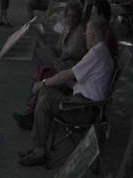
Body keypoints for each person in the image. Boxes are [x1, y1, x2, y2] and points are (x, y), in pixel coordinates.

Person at [18, 17, 115, 166]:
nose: (84, 37)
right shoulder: (102, 51)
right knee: (46, 92)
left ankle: (39, 150)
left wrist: (43, 82)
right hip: (86, 104)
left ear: (92, 36)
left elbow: (70, 74)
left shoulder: (96, 53)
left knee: (46, 98)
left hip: (84, 109)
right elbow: (80, 79)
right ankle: (37, 145)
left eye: (86, 34)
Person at [13, 1, 86, 128]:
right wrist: (45, 41)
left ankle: (31, 113)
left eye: (74, 16)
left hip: (70, 71)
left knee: (43, 73)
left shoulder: (80, 33)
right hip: (63, 65)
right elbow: (58, 49)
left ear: (79, 17)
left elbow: (69, 54)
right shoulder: (67, 28)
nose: (71, 19)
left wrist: (55, 57)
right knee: (41, 69)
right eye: (69, 16)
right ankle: (31, 111)